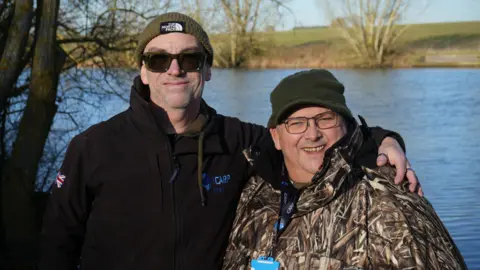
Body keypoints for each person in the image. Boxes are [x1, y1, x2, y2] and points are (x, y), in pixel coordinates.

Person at [38, 13, 418, 270]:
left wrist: (383, 140)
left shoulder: (240, 140)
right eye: (159, 60)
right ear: (143, 70)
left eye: (189, 58)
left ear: (207, 69)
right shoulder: (92, 147)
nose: (174, 69)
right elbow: (56, 248)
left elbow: (311, 138)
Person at [223, 69, 466, 270]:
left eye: (325, 119)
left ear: (347, 126)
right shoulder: (255, 193)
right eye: (296, 123)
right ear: (275, 137)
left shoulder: (390, 201)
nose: (312, 134)